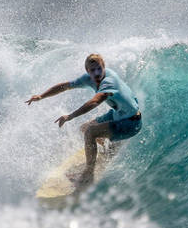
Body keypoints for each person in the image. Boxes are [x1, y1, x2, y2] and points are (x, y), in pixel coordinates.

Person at [26, 53, 142, 188]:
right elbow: (65, 86)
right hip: (118, 114)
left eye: (99, 68)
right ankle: (108, 149)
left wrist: (70, 116)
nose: (97, 73)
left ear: (104, 66)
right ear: (88, 71)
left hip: (131, 123)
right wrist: (41, 96)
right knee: (84, 127)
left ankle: (88, 175)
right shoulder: (89, 79)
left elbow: (95, 101)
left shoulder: (109, 82)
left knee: (90, 132)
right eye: (93, 70)